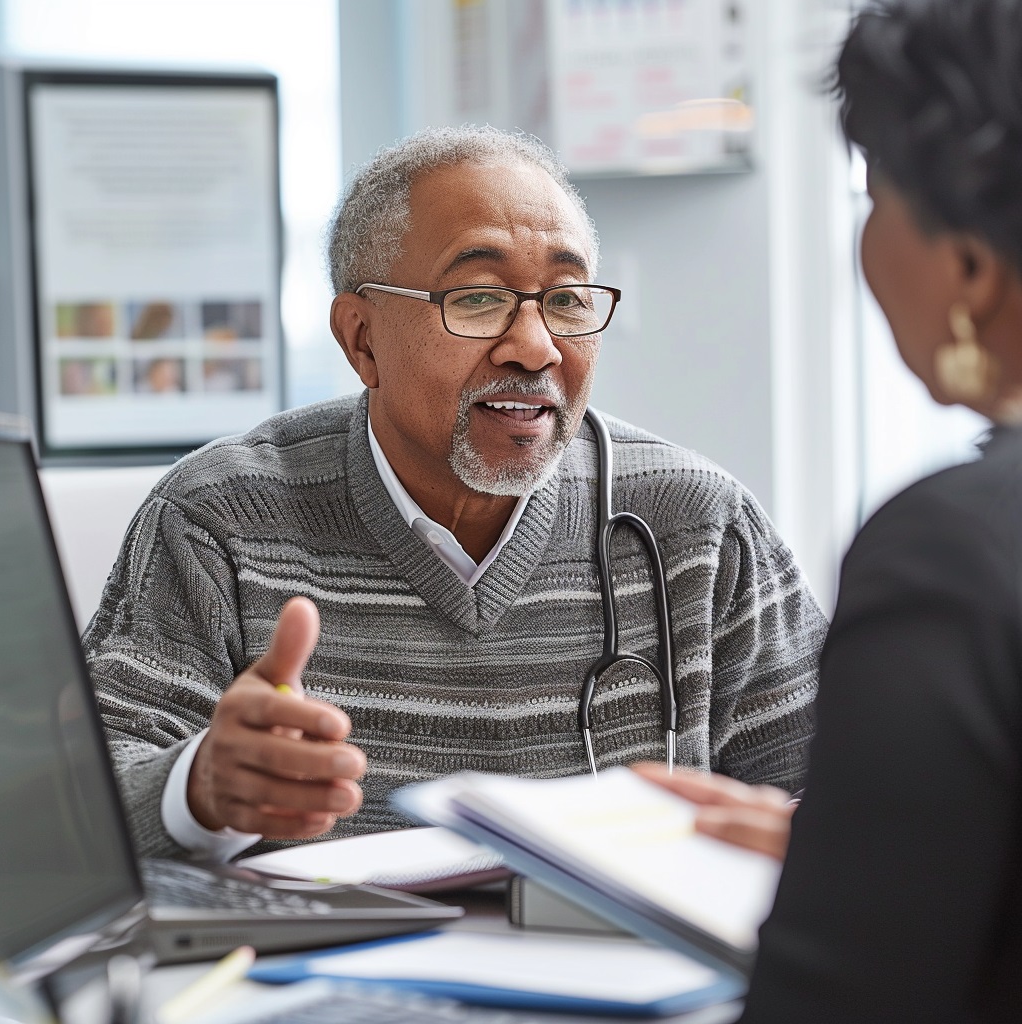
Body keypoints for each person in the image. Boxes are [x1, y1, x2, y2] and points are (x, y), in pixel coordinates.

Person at [84, 125, 826, 862]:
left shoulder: (697, 525)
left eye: (566, 301)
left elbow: (849, 801)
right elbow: (70, 809)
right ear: (362, 339)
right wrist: (197, 787)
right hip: (318, 977)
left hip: (635, 975)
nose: (536, 347)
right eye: (478, 299)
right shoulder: (218, 520)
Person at [640, 1, 1022, 1019]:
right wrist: (879, 853)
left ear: (969, 269)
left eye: (872, 195)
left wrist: (857, 894)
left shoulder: (952, 551)